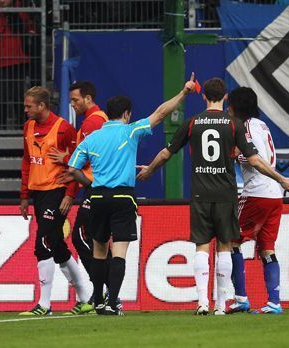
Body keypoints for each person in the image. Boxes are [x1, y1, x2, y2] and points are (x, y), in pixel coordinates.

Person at [136, 78, 289, 315]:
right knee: (249, 246)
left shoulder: (195, 123)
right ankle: (232, 304)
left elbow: (166, 152)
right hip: (238, 193)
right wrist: (282, 180)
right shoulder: (241, 125)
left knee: (211, 245)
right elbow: (255, 158)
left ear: (205, 97)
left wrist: (150, 170)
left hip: (215, 192)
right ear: (223, 98)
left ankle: (217, 300)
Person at [67, 74, 197, 315]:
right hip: (123, 198)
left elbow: (72, 169)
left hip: (97, 198)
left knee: (98, 250)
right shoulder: (131, 131)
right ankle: (113, 301)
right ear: (126, 114)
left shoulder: (91, 138)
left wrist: (91, 185)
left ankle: (97, 300)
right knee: (119, 252)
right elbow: (160, 113)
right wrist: (184, 92)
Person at [18, 86, 92, 316]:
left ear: (42, 105)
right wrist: (23, 196)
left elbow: (76, 164)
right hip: (38, 194)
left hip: (57, 192)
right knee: (57, 245)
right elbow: (27, 162)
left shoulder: (64, 129)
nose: (26, 109)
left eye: (29, 105)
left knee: (43, 243)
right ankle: (86, 298)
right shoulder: (28, 127)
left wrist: (70, 193)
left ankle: (44, 304)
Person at [47, 81, 107, 307]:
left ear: (88, 99)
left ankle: (103, 290)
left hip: (95, 187)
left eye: (75, 100)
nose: (72, 104)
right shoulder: (97, 119)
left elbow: (89, 158)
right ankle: (103, 293)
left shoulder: (92, 122)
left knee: (82, 238)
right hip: (94, 184)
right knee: (94, 241)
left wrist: (67, 162)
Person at [226, 87, 285, 314]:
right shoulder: (262, 125)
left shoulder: (246, 127)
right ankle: (274, 302)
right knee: (267, 248)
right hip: (275, 195)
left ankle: (241, 298)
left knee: (232, 241)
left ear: (235, 107)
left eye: (229, 105)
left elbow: (255, 158)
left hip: (257, 193)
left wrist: (235, 155)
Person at [0, 0, 36, 127]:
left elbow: (28, 27)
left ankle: (23, 125)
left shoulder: (20, 10)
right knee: (3, 94)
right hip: (2, 59)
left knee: (18, 94)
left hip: (18, 57)